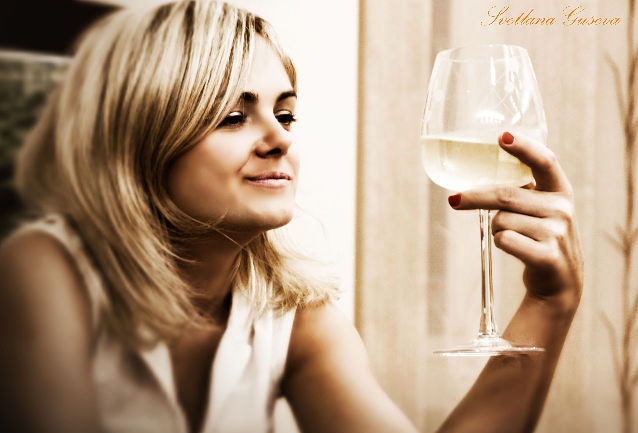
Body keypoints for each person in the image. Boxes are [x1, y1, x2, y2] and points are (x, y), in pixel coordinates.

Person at [0, 1, 583, 433]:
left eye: (285, 114)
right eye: (233, 117)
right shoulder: (42, 269)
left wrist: (548, 303)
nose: (280, 139)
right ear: (136, 139)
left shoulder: (292, 312)